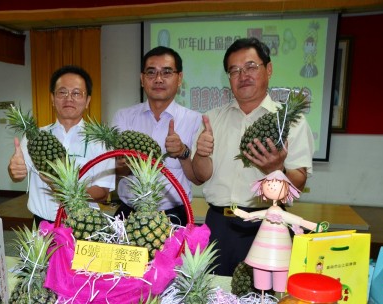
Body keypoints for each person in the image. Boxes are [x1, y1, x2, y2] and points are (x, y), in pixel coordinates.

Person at [192, 37, 314, 276]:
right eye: (234, 70)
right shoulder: (212, 118)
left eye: (250, 67)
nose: (243, 75)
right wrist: (201, 153)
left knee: (263, 302)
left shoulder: (291, 120)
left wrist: (275, 169)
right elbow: (201, 174)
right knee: (212, 298)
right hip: (217, 224)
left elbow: (298, 183)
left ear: (268, 69)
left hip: (267, 225)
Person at [8, 65, 116, 225]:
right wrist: (14, 171)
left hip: (84, 224)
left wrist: (67, 191)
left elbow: (102, 192)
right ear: (52, 98)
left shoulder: (101, 141)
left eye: (77, 93)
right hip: (42, 224)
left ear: (87, 101)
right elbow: (17, 175)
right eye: (62, 92)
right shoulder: (34, 137)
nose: (69, 98)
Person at [112, 46, 204, 226]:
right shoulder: (123, 117)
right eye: (151, 72)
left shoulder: (195, 120)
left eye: (167, 72)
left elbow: (198, 178)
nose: (158, 79)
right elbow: (116, 171)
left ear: (180, 79)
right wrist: (126, 164)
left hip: (174, 215)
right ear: (142, 79)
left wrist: (183, 152)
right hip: (129, 213)